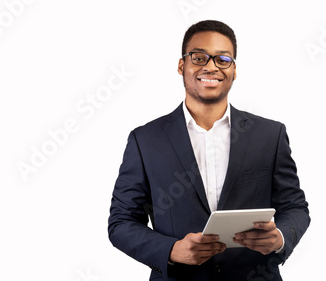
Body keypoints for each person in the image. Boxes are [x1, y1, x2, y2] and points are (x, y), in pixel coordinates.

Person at [108, 20, 310, 281]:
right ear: (182, 65)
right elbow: (121, 223)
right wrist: (171, 250)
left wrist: (280, 237)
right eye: (199, 57)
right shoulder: (145, 140)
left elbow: (294, 207)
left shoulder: (270, 135)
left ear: (234, 70)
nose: (211, 66)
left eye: (223, 59)